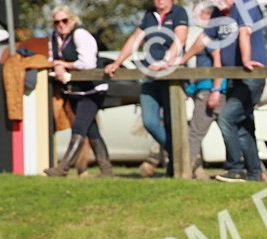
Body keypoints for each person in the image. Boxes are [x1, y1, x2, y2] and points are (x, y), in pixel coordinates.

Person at [104, 0, 188, 177]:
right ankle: (177, 154)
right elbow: (135, 39)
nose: (159, 1)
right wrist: (118, 62)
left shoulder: (179, 13)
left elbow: (180, 39)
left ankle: (175, 166)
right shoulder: (149, 15)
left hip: (171, 76)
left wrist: (165, 62)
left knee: (173, 123)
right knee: (150, 121)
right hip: (150, 76)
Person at [44, 6, 113, 178]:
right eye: (57, 22)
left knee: (79, 126)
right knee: (91, 129)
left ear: (72, 20)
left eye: (64, 20)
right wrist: (57, 65)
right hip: (74, 90)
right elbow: (52, 59)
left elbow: (87, 63)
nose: (61, 25)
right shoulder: (54, 38)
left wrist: (64, 65)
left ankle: (63, 168)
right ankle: (106, 170)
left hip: (92, 89)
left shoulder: (80, 34)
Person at [206, 0, 267, 183]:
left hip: (250, 76)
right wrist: (179, 59)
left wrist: (246, 59)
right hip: (234, 78)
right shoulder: (218, 13)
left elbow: (244, 32)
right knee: (243, 127)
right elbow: (205, 41)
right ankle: (255, 174)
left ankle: (235, 168)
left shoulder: (246, 5)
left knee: (226, 118)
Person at [180, 0, 222, 179]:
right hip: (204, 87)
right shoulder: (206, 35)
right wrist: (190, 88)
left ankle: (187, 170)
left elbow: (217, 63)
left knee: (195, 132)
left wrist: (215, 89)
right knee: (234, 131)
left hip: (208, 89)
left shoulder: (209, 38)